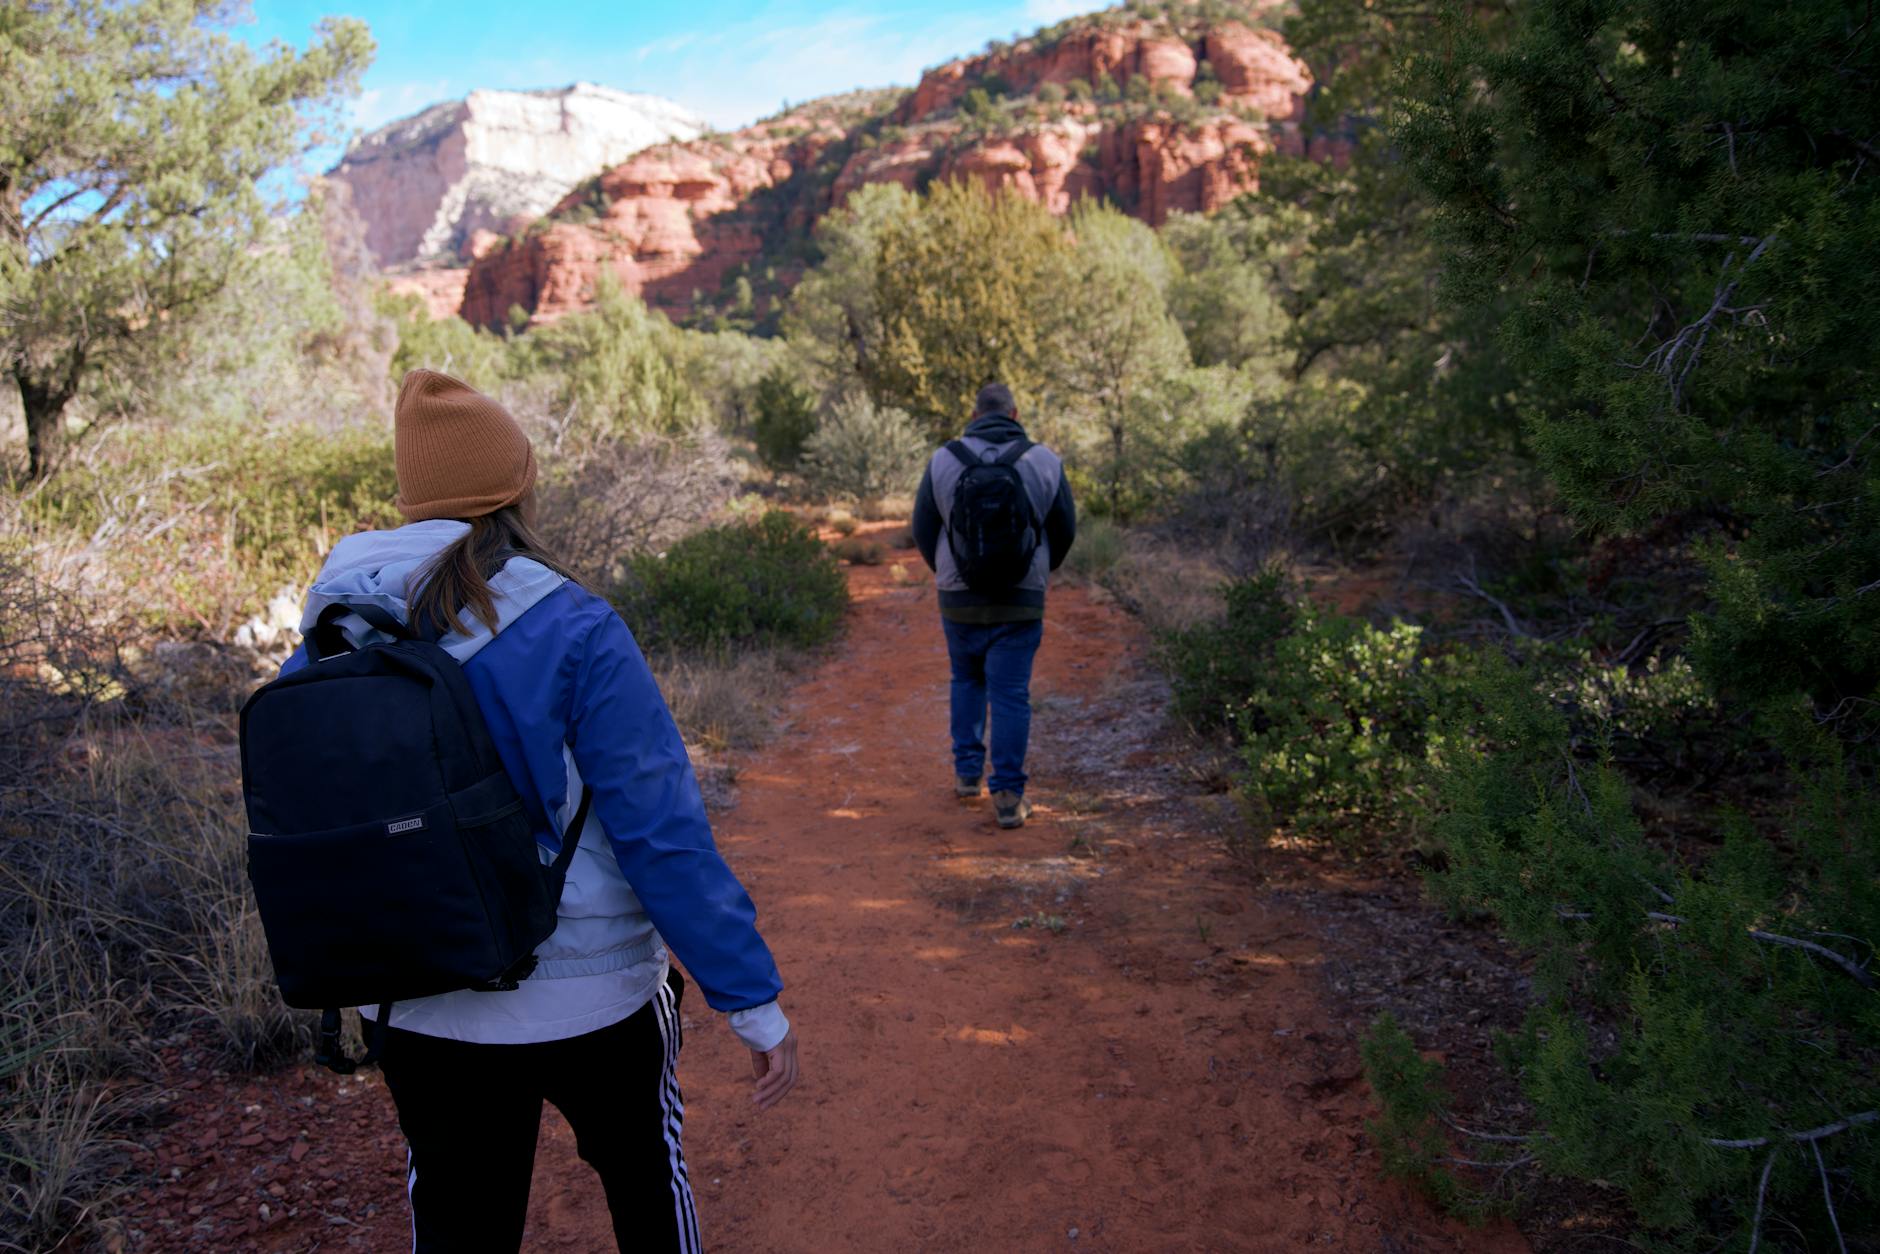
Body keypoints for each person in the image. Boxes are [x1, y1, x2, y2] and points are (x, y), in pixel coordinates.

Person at [279, 370, 798, 1253]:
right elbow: (660, 833)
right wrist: (751, 1003)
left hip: (414, 999)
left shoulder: (334, 627)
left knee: (457, 1220)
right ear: (519, 488)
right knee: (646, 1184)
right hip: (591, 997)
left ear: (413, 501)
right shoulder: (576, 627)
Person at [912, 382, 1076, 829]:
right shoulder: (1043, 460)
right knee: (1010, 693)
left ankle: (967, 775)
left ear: (975, 413)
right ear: (1014, 413)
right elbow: (1064, 530)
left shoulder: (944, 459)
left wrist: (948, 573)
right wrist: (1039, 572)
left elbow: (923, 528)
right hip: (1021, 600)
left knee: (965, 678)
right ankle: (1007, 796)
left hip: (958, 598)